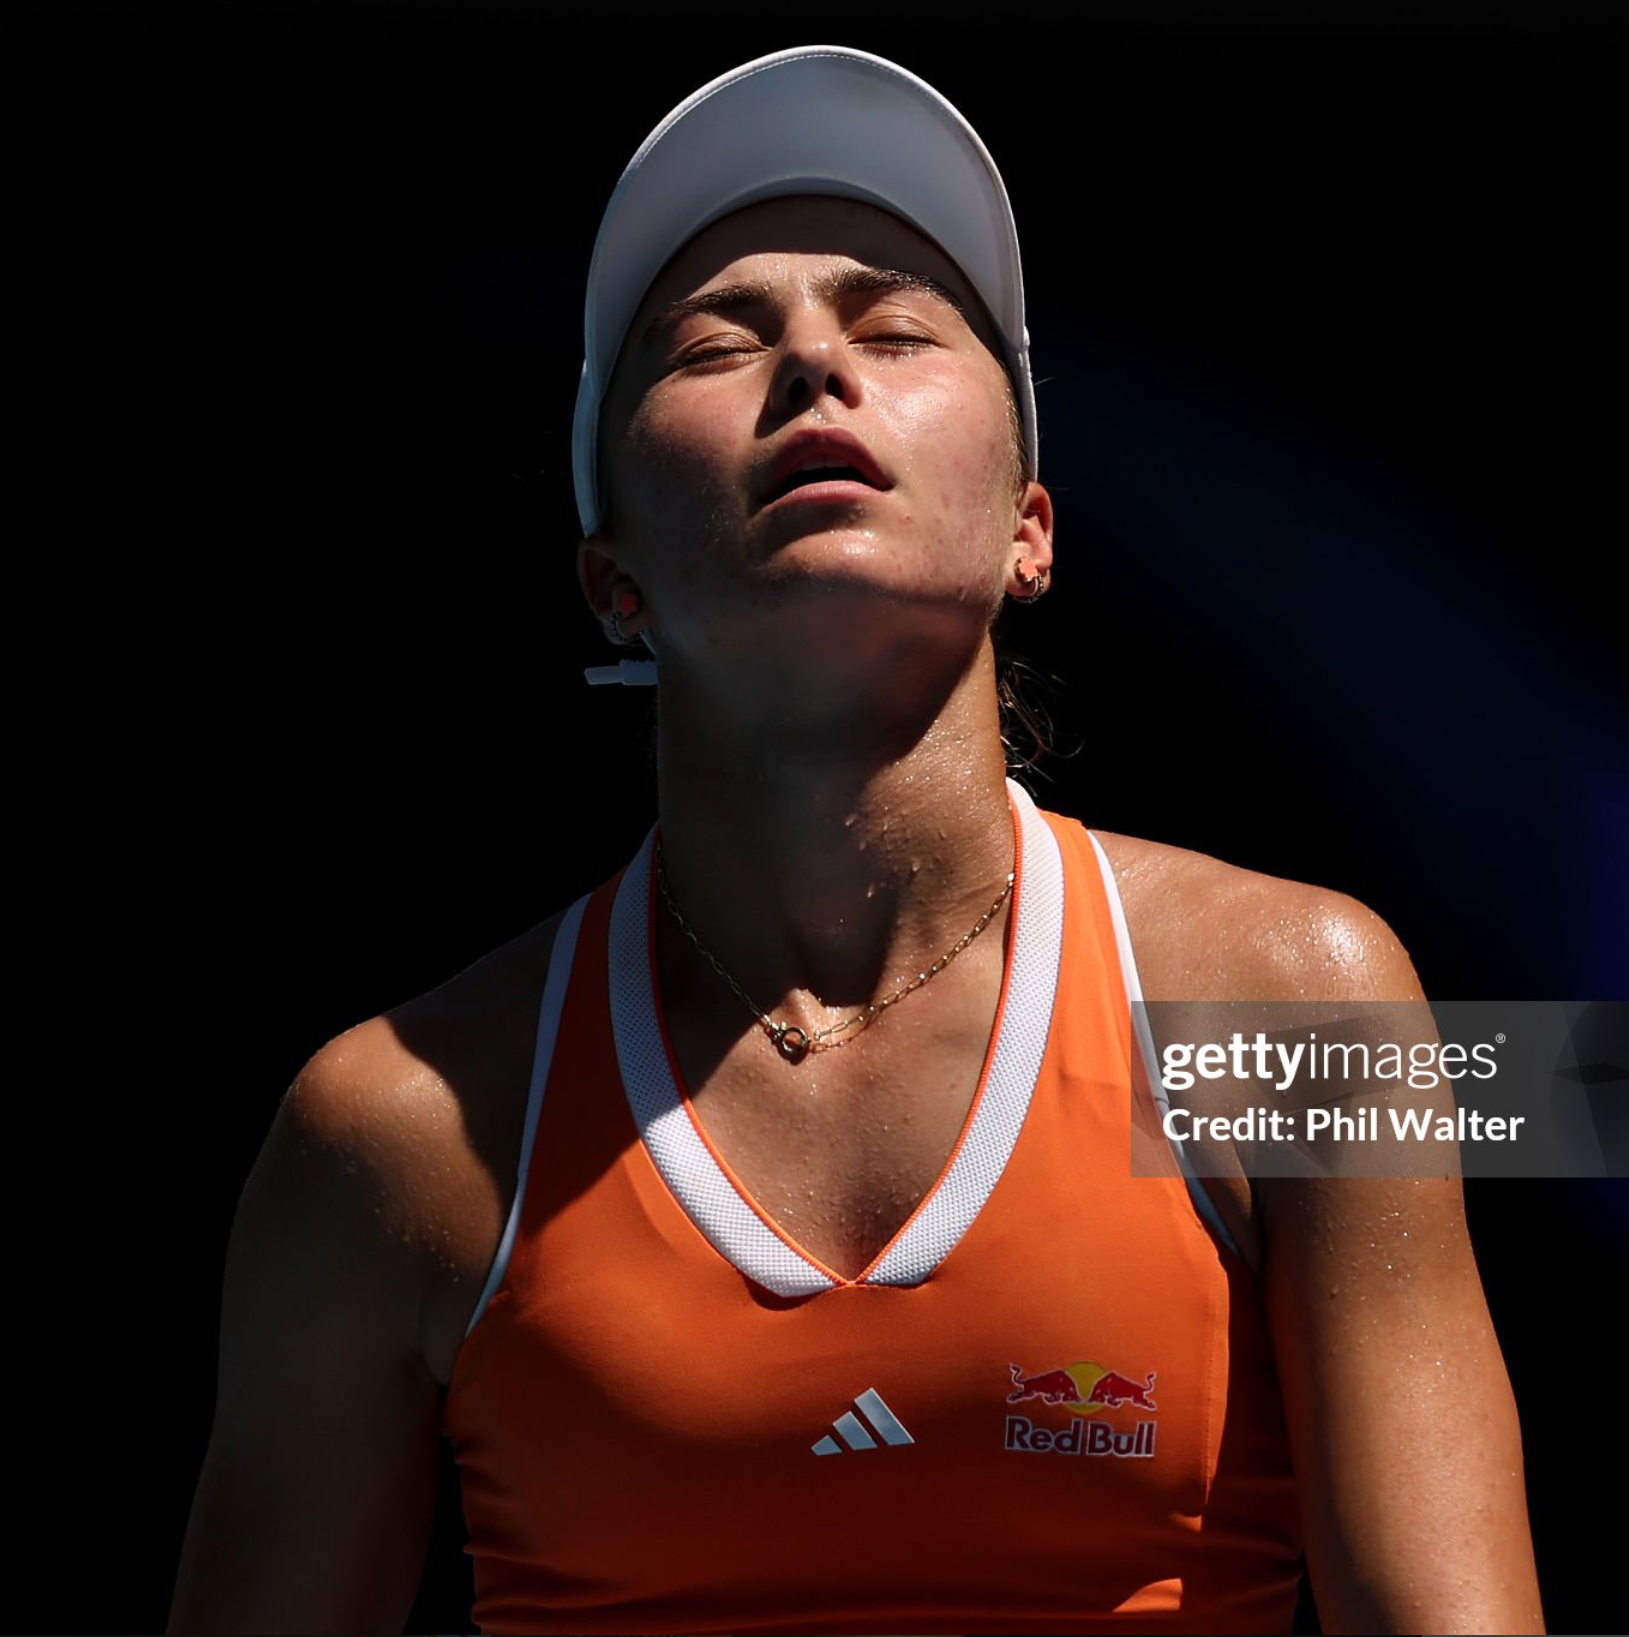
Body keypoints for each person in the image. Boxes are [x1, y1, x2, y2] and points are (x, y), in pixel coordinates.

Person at [167, 44, 1546, 1637]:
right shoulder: (381, 1128)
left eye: (894, 327)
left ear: (1029, 529)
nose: (815, 364)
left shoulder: (1307, 1000)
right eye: (715, 341)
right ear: (609, 578)